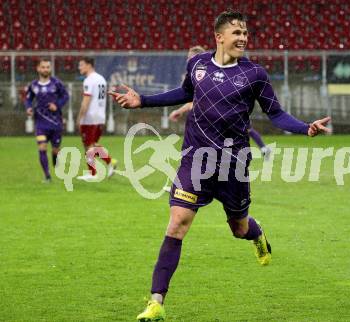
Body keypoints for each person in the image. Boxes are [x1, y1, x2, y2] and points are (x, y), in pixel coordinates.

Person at [110, 10, 330, 321]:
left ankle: (258, 236)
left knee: (238, 228)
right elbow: (184, 93)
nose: (242, 37)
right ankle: (156, 302)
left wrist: (304, 127)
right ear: (219, 37)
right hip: (195, 161)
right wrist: (142, 100)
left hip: (233, 165)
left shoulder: (255, 74)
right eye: (236, 32)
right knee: (177, 224)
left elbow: (276, 113)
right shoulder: (197, 65)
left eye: (245, 33)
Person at [169, 46, 272, 159]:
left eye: (190, 57)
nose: (188, 60)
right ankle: (262, 149)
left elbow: (195, 100)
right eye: (188, 57)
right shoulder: (200, 71)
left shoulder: (204, 74)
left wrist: (179, 111)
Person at [25, 58, 69, 182]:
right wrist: (28, 108)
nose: (45, 69)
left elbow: (65, 96)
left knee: (55, 149)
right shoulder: (33, 85)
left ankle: (56, 160)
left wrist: (57, 105)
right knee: (42, 147)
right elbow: (28, 99)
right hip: (40, 123)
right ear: (38, 69)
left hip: (56, 123)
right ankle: (47, 176)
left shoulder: (56, 83)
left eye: (47, 67)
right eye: (43, 67)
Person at [76, 57, 117, 181]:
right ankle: (111, 162)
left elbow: (86, 101)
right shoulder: (101, 79)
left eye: (81, 65)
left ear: (89, 65)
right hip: (100, 116)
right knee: (92, 144)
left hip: (90, 117)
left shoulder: (89, 80)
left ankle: (92, 174)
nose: (79, 68)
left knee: (88, 146)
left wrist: (79, 118)